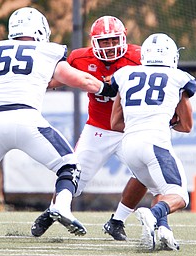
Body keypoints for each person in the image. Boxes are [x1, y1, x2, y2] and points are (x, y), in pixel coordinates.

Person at [0, 7, 110, 240]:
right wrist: (106, 88)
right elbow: (81, 79)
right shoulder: (46, 50)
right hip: (26, 120)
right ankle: (62, 207)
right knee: (70, 166)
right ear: (39, 29)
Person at [31, 16, 178, 249]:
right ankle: (54, 211)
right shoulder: (80, 57)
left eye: (113, 41)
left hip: (131, 129)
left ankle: (118, 221)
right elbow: (58, 77)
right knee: (73, 179)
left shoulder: (141, 56)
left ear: (124, 37)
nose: (109, 47)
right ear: (93, 42)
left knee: (151, 178)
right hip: (97, 128)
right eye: (104, 42)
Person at [109, 33, 196, 250]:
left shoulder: (125, 74)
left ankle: (163, 230)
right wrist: (166, 122)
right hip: (154, 143)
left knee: (161, 188)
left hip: (129, 145)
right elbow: (186, 126)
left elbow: (115, 122)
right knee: (179, 196)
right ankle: (153, 213)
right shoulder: (179, 77)